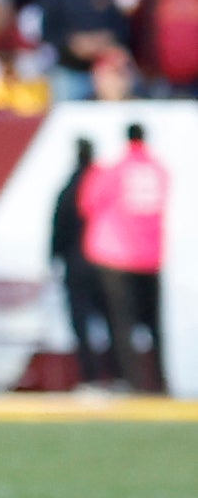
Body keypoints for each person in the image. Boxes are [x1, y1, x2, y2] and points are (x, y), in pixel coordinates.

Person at [80, 124, 169, 392]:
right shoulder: (160, 170)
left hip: (116, 256)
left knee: (122, 323)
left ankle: (133, 381)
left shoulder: (114, 170)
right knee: (154, 325)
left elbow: (89, 203)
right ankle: (160, 382)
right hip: (151, 256)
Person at [52, 139, 111, 387]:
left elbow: (59, 225)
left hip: (78, 263)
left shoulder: (72, 186)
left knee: (82, 322)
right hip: (106, 263)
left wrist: (55, 255)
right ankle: (117, 374)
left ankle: (91, 376)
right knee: (112, 322)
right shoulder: (103, 183)